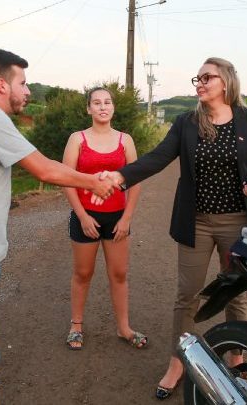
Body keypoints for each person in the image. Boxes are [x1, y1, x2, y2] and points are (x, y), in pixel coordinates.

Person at [0, 48, 116, 405]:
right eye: (23, 83)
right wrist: (94, 183)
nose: (28, 91)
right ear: (2, 85)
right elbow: (44, 169)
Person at [102, 57, 247, 400]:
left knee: (235, 293)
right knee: (188, 294)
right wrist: (122, 176)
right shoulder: (187, 122)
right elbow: (157, 157)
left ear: (225, 81)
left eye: (206, 77)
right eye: (196, 78)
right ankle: (178, 360)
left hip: (237, 222)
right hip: (196, 220)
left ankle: (236, 358)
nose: (199, 83)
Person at [63, 87, 147, 351]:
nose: (102, 107)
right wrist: (82, 216)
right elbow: (66, 179)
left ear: (113, 107)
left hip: (117, 218)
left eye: (107, 102)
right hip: (85, 217)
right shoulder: (77, 139)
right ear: (88, 108)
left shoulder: (125, 140)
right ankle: (76, 325)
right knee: (83, 273)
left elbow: (135, 181)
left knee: (119, 274)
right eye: (96, 103)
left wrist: (127, 218)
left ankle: (124, 328)